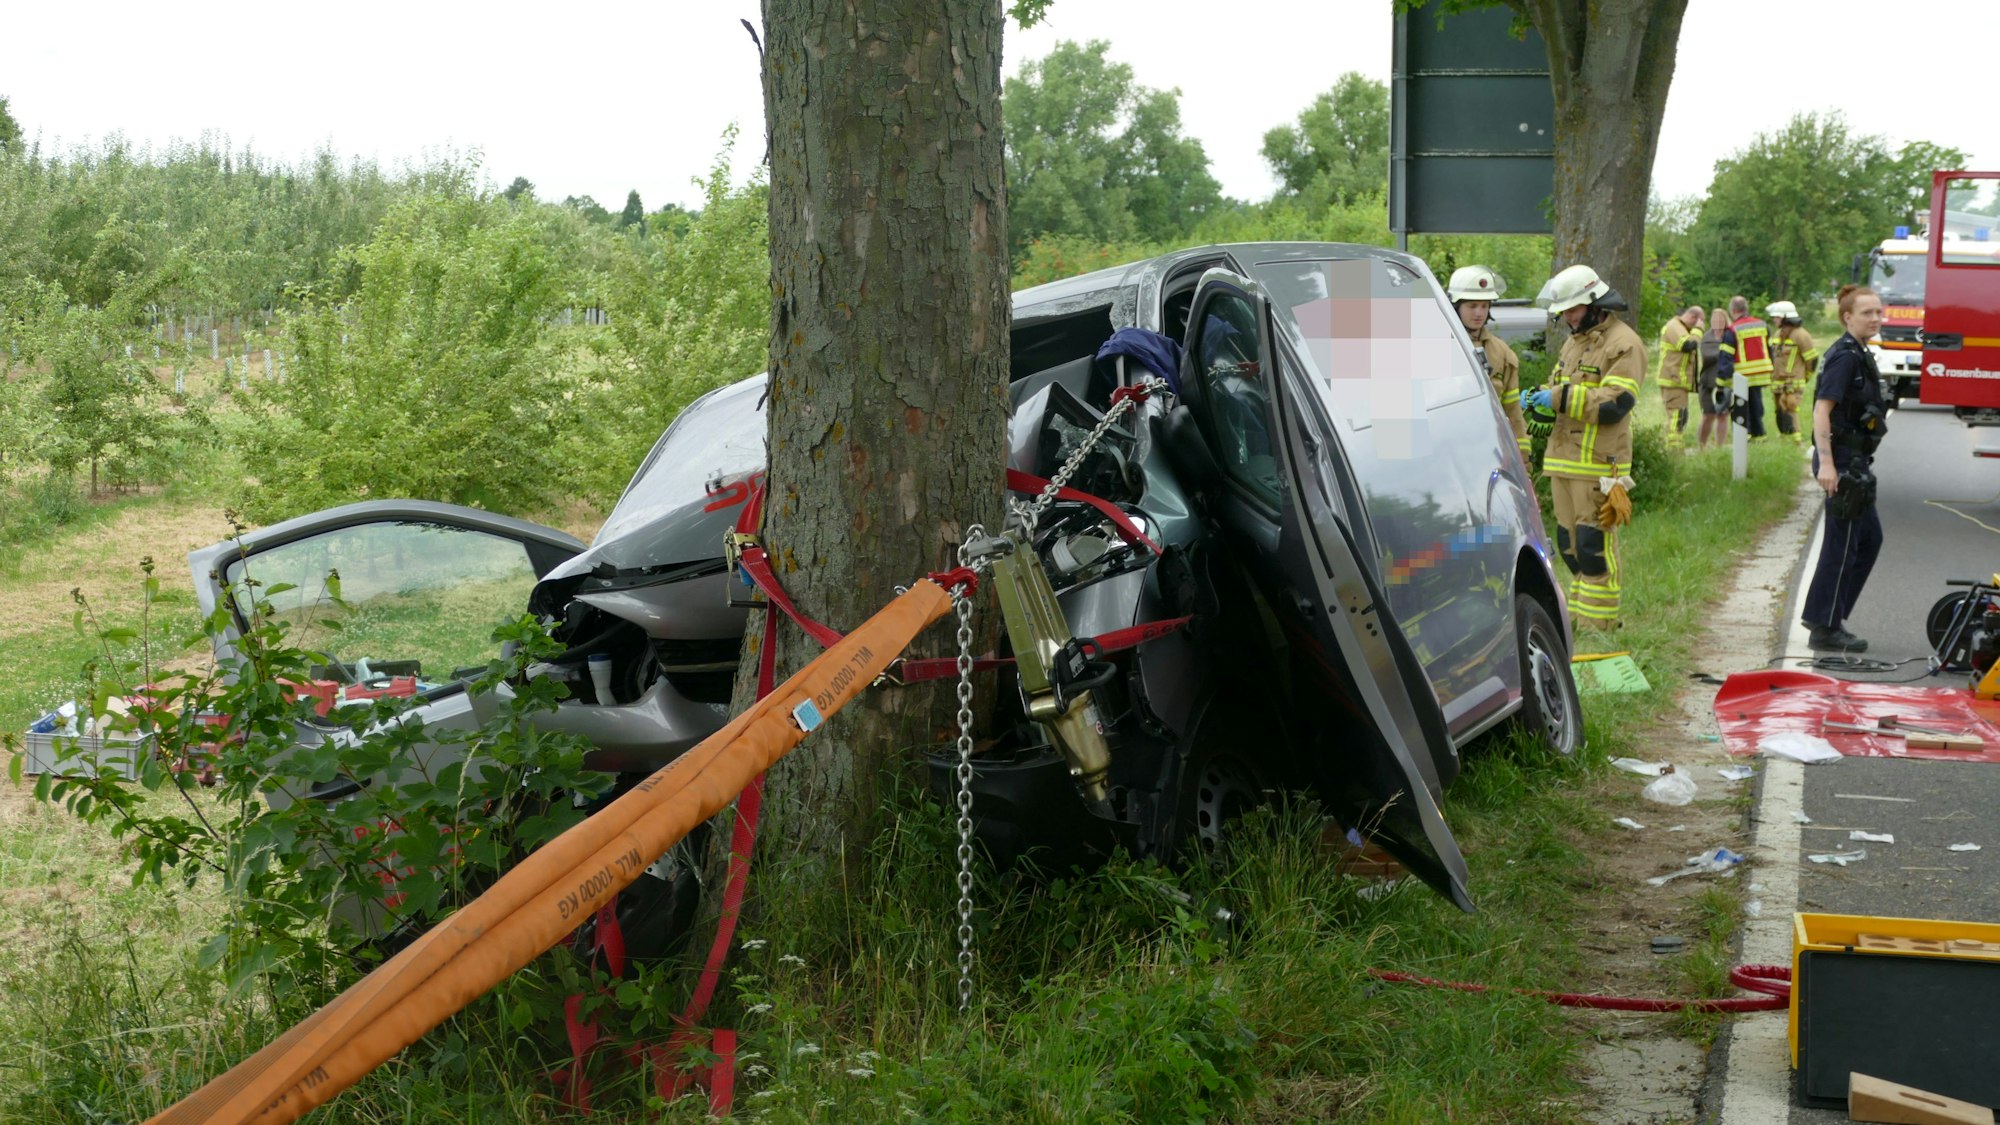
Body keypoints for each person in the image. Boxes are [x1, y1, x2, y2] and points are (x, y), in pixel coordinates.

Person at [1526, 264, 1645, 630]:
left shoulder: (1624, 344)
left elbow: (1615, 403)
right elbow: (1560, 390)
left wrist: (1557, 397)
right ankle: (1579, 619)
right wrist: (1540, 408)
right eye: (1564, 311)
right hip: (1563, 463)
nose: (1567, 317)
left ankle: (1602, 628)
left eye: (1573, 309)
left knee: (1594, 547)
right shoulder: (1573, 342)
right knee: (1569, 547)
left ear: (1595, 302)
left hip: (1598, 465)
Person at [1801, 285, 1889, 652]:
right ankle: (1825, 627)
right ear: (1847, 317)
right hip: (1841, 461)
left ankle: (1827, 615)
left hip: (1856, 461)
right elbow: (1822, 410)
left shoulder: (1861, 353)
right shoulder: (1845, 357)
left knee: (1868, 539)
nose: (1875, 318)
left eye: (1878, 312)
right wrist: (1827, 464)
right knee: (1844, 545)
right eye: (1867, 312)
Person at [1447, 265, 1531, 461]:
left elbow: (1513, 413)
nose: (1479, 313)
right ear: (1455, 305)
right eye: (1472, 305)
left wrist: (1523, 461)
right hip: (1449, 454)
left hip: (1489, 453)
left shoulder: (1502, 353)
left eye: (1484, 306)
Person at [1716, 295, 1774, 439]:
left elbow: (1726, 357)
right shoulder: (1762, 325)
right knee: (1756, 405)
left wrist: (1721, 381)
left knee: (1741, 407)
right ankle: (1759, 435)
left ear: (1733, 310)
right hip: (1761, 373)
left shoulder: (1732, 330)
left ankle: (1744, 436)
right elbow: (1770, 349)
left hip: (1742, 375)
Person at [1766, 300, 1818, 445]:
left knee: (1790, 408)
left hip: (1793, 382)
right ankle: (1784, 437)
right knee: (1779, 412)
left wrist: (1806, 376)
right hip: (1777, 381)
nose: (1774, 319)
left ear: (1785, 317)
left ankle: (1796, 442)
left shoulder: (1800, 335)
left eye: (1777, 317)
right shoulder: (1778, 334)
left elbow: (1812, 359)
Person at [1654, 305, 1703, 450]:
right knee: (1677, 416)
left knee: (1681, 415)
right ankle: (1674, 450)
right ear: (1693, 318)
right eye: (1698, 322)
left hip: (1677, 381)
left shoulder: (1679, 327)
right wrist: (1698, 331)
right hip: (1672, 380)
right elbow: (1688, 345)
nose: (1697, 326)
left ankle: (1675, 447)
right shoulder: (1674, 326)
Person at [1696, 308, 1730, 450]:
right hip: (1707, 382)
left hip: (1725, 383)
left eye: (1720, 319)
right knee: (1708, 415)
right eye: (1715, 319)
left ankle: (1719, 447)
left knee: (1723, 415)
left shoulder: (1730, 336)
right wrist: (1725, 351)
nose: (1718, 322)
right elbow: (1707, 355)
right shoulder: (1706, 337)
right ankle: (1702, 446)